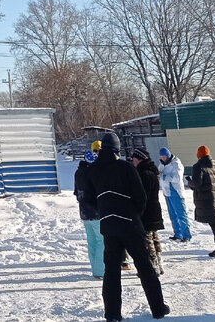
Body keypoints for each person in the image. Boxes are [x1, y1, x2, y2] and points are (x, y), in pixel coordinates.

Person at [85, 132, 169, 321]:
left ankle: (113, 314)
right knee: (145, 267)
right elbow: (140, 197)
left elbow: (88, 199)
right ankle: (158, 308)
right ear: (117, 149)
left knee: (112, 272)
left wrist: (105, 211)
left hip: (108, 225)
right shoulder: (125, 167)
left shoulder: (93, 170)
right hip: (130, 224)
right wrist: (133, 215)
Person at [188, 145, 215, 258]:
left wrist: (189, 182)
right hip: (214, 198)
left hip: (205, 199)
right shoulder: (214, 166)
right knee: (214, 224)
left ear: (199, 154)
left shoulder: (198, 166)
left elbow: (197, 183)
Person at [131, 149, 165, 275]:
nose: (133, 161)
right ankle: (159, 263)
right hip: (154, 209)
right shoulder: (152, 171)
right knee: (154, 236)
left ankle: (152, 266)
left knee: (147, 239)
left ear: (139, 159)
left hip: (147, 211)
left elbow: (142, 195)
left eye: (134, 159)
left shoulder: (143, 173)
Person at [74, 143, 105, 279]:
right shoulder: (94, 172)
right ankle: (101, 270)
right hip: (96, 212)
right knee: (101, 241)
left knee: (91, 241)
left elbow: (76, 192)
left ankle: (95, 268)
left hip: (84, 212)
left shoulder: (78, 172)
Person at [158, 148, 191, 242]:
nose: (163, 158)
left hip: (175, 191)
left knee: (181, 214)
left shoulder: (176, 164)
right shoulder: (161, 164)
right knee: (173, 214)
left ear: (168, 155)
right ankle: (178, 234)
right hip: (166, 191)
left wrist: (163, 176)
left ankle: (186, 235)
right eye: (162, 156)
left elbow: (177, 178)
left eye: (165, 156)